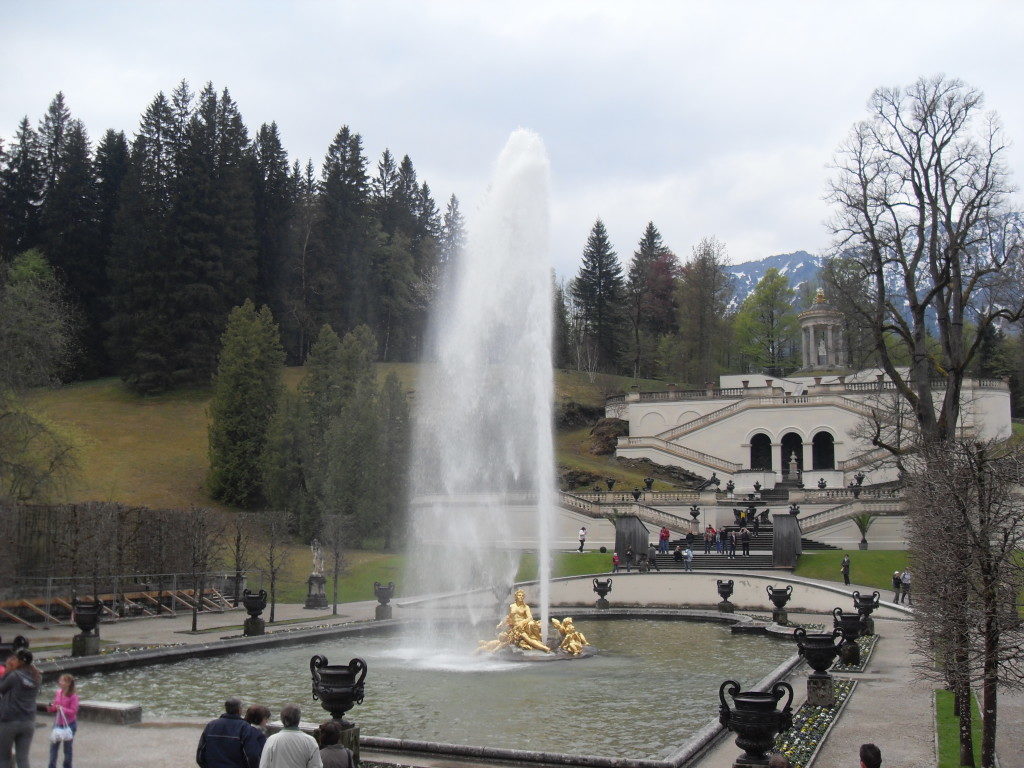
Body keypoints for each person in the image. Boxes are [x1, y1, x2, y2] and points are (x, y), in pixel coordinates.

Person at [0, 648, 40, 768]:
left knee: (4, 758)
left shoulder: (15, 675)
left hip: (10, 720)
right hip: (28, 721)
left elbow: (1, 688)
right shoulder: (37, 677)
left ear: (20, 661)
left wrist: (7, 669)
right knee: (22, 759)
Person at [197, 697, 263, 768]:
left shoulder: (211, 726)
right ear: (239, 710)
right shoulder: (245, 728)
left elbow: (200, 755)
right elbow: (252, 756)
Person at [47, 673, 79, 768]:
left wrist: (62, 709)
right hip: (57, 723)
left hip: (69, 724)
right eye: (60, 680)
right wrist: (51, 708)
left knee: (67, 749)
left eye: (62, 681)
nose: (60, 682)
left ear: (68, 683)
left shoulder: (73, 696)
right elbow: (54, 706)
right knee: (53, 748)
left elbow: (73, 711)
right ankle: (51, 766)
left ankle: (67, 766)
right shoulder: (58, 693)